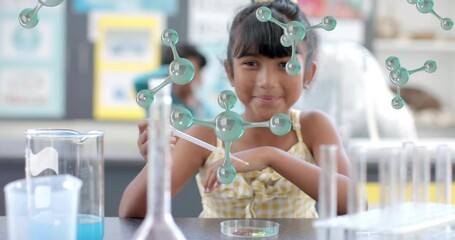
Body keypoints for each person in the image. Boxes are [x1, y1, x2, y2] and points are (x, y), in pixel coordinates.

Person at [119, 0, 351, 218]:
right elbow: (132, 212)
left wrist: (270, 156)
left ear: (308, 74)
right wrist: (158, 162)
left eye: (284, 64)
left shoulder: (312, 128)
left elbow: (354, 203)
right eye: (251, 63)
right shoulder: (207, 133)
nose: (267, 81)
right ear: (230, 71)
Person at [133, 43, 210, 118]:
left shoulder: (199, 106)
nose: (195, 76)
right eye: (187, 70)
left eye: (197, 71)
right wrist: (171, 69)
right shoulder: (160, 96)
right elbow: (138, 82)